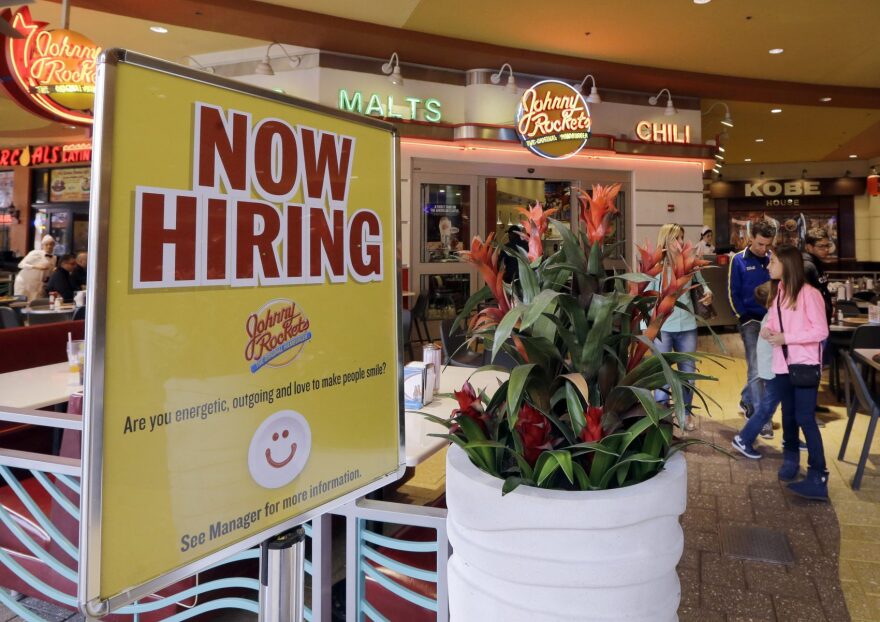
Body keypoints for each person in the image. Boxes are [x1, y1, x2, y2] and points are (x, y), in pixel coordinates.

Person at [759, 245, 830, 500]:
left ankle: (818, 474)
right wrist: (768, 330)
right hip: (783, 366)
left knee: (805, 418)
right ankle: (791, 461)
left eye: (773, 261)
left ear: (786, 264)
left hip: (804, 366)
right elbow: (773, 322)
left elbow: (821, 331)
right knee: (788, 416)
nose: (768, 266)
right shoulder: (781, 292)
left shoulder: (810, 295)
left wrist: (786, 338)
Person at [652, 223, 713, 431]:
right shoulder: (655, 266)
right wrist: (646, 329)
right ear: (665, 240)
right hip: (662, 327)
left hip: (686, 325)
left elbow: (702, 283)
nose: (679, 242)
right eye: (675, 238)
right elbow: (645, 297)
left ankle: (685, 413)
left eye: (681, 238)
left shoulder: (690, 263)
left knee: (687, 373)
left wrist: (707, 293)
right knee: (663, 373)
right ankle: (662, 413)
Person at [728, 220, 775, 420]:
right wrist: (743, 317)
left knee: (768, 368)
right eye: (760, 244)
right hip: (750, 322)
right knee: (756, 368)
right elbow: (733, 292)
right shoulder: (738, 260)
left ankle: (748, 398)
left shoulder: (773, 259)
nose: (764, 249)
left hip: (772, 321)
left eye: (767, 245)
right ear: (751, 239)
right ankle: (759, 417)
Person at [732, 281, 780, 458]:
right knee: (767, 407)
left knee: (780, 404)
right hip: (772, 370)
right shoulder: (772, 319)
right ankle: (744, 438)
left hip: (774, 369)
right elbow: (733, 290)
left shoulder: (772, 316)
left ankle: (791, 439)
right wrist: (743, 316)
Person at [13, 235, 57, 301]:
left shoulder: (54, 258)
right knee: (21, 303)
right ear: (42, 245)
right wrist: (36, 267)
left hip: (38, 285)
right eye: (46, 244)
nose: (49, 246)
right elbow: (21, 264)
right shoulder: (35, 253)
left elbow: (49, 272)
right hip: (24, 282)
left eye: (51, 244)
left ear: (54, 245)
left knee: (35, 303)